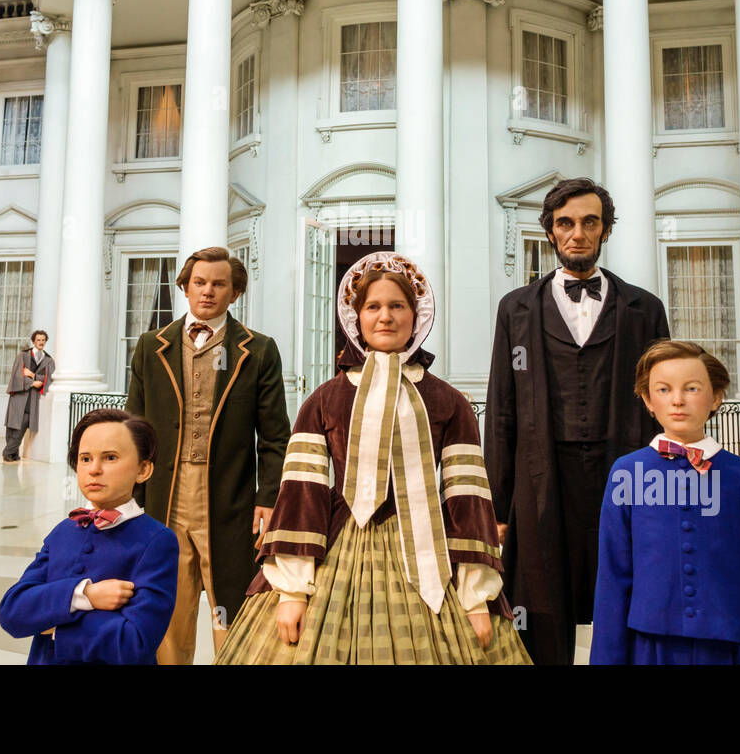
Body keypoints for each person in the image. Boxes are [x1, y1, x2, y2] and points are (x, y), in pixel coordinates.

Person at [216, 251, 531, 664]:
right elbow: (301, 494)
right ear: (356, 317)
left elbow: (467, 498)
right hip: (339, 546)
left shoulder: (448, 402)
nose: (385, 317)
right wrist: (292, 591)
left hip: (425, 547)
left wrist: (475, 599)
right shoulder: (325, 399)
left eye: (397, 306)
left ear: (415, 316)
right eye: (373, 307)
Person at [485, 177, 670, 665]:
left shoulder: (645, 309)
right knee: (540, 600)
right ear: (549, 232)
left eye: (590, 222)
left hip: (623, 472)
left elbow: (660, 404)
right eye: (565, 223)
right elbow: (502, 406)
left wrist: (665, 485)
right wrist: (497, 506)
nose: (577, 233)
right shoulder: (515, 309)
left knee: (625, 586)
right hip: (541, 474)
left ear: (605, 230)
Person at [590, 341, 740, 664]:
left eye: (692, 388)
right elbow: (612, 580)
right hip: (649, 650)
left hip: (725, 648)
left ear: (716, 397)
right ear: (648, 401)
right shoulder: (627, 473)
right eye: (663, 390)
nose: (677, 400)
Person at [125, 246, 291, 664]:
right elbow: (134, 429)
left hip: (230, 499)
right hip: (164, 495)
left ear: (235, 293)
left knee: (230, 611)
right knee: (168, 611)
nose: (208, 291)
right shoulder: (151, 346)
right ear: (185, 286)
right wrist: (132, 498)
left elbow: (274, 437)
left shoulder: (260, 350)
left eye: (220, 284)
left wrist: (268, 497)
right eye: (200, 282)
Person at [0, 408, 178, 664]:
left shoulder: (157, 540)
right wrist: (85, 596)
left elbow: (134, 643)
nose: (94, 469)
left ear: (143, 469)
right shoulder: (63, 531)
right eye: (85, 458)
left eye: (110, 457)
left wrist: (54, 625)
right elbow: (12, 612)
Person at [3, 330, 53, 463]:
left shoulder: (48, 360)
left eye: (43, 340)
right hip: (19, 395)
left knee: (22, 425)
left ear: (45, 341)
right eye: (38, 340)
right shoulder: (23, 355)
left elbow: (48, 379)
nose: (41, 342)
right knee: (12, 426)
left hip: (32, 400)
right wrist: (33, 383)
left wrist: (32, 375)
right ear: (33, 341)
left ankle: (7, 451)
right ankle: (13, 453)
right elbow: (17, 376)